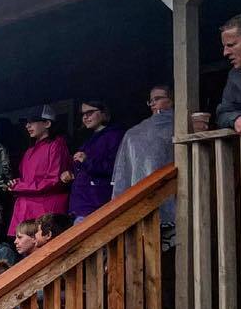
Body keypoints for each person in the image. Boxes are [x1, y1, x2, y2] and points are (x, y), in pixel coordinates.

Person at [112, 84, 176, 241]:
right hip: (143, 194)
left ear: (172, 99)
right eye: (151, 100)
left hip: (172, 191)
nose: (153, 103)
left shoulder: (179, 123)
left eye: (158, 98)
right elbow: (124, 170)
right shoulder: (135, 132)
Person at [7, 105, 72, 236]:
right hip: (26, 207)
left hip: (44, 207)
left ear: (47, 123)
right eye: (27, 123)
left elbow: (54, 180)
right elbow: (27, 179)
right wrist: (16, 183)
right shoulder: (29, 151)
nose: (27, 126)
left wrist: (20, 186)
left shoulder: (56, 144)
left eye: (32, 122)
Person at [66, 100, 124, 221]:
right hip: (81, 204)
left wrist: (87, 161)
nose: (85, 117)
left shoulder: (115, 136)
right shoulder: (88, 139)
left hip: (97, 204)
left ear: (104, 113)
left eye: (90, 112)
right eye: (83, 114)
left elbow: (116, 168)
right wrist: (71, 174)